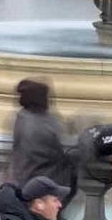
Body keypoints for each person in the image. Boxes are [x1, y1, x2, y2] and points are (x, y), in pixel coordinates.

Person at [9, 79, 77, 209]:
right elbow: (68, 150)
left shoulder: (21, 117)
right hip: (44, 187)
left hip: (24, 182)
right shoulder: (43, 125)